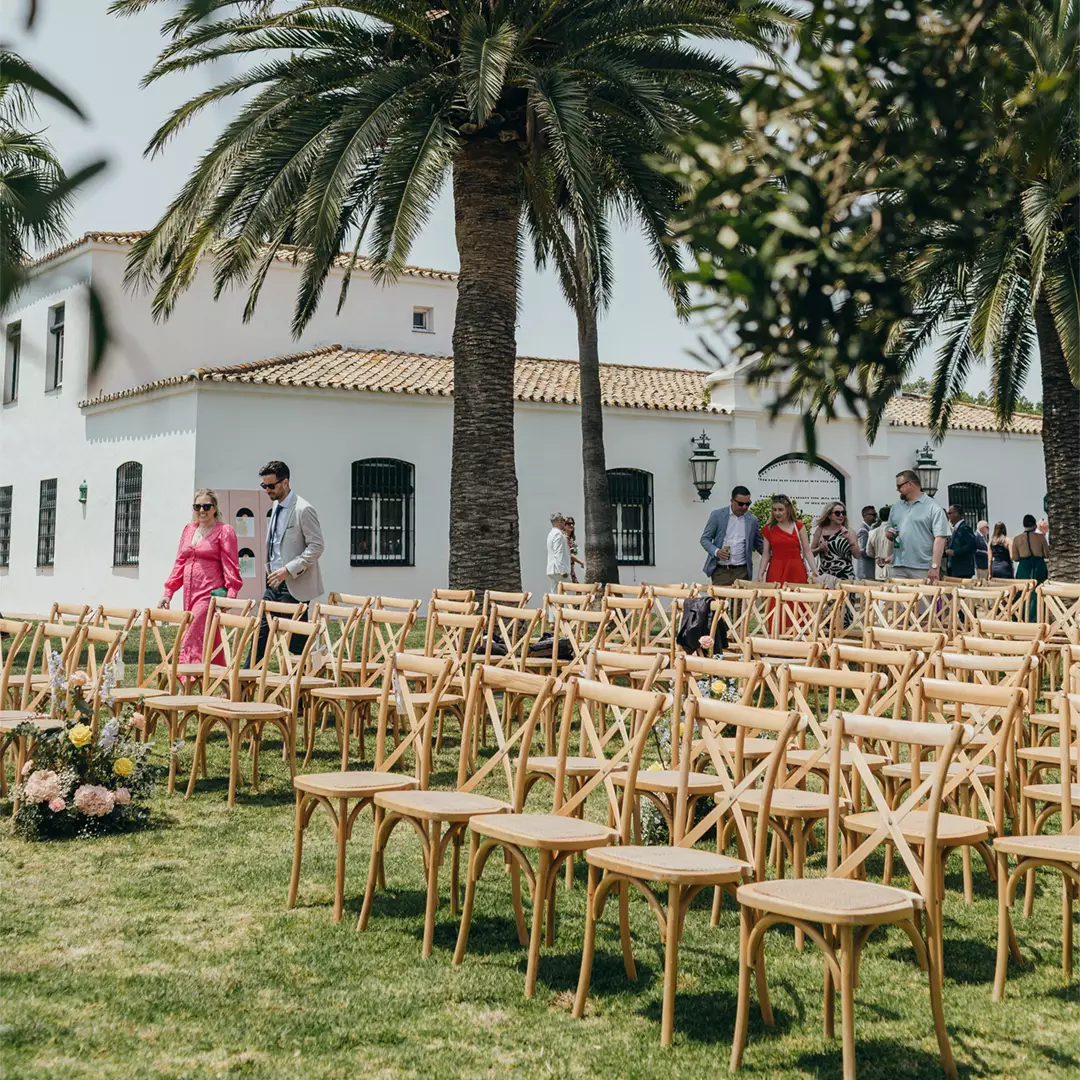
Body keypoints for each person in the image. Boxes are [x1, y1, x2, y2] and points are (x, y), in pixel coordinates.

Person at [160, 489, 242, 665]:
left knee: (191, 634)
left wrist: (230, 596)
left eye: (206, 506)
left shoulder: (224, 531)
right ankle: (221, 682)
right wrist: (168, 592)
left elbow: (231, 565)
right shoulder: (189, 529)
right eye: (197, 507)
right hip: (190, 594)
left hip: (210, 594)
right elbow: (180, 562)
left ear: (214, 508)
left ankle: (185, 680)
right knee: (209, 637)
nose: (201, 511)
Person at [256, 460, 324, 660]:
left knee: (296, 644)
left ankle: (305, 680)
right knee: (261, 634)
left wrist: (289, 569)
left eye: (271, 486)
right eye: (264, 486)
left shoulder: (303, 509)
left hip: (294, 583)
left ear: (285, 482)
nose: (267, 490)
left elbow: (317, 546)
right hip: (273, 583)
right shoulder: (276, 507)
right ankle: (243, 684)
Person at [885, 470, 951, 581]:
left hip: (922, 568)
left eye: (899, 486)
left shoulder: (933, 507)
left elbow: (940, 539)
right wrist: (888, 534)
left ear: (910, 484)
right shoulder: (896, 507)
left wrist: (935, 567)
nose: (897, 490)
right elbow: (889, 529)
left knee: (923, 599)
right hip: (898, 566)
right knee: (896, 598)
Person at [700, 485, 763, 586]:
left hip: (742, 571)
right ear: (732, 501)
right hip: (721, 570)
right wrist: (716, 552)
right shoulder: (717, 515)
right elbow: (705, 539)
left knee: (741, 602)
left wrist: (776, 557)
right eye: (741, 504)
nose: (744, 507)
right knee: (719, 601)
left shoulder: (752, 520)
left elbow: (759, 544)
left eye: (748, 504)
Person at [757, 495, 814, 584]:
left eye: (780, 509)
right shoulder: (768, 529)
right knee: (775, 597)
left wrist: (814, 570)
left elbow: (807, 551)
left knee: (797, 597)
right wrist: (760, 573)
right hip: (776, 570)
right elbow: (765, 554)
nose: (777, 513)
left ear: (788, 509)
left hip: (796, 570)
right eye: (774, 510)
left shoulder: (799, 526)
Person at [810, 501, 860, 584]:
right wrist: (819, 549)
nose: (841, 516)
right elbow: (811, 553)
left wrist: (850, 540)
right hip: (826, 577)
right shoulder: (820, 530)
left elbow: (857, 555)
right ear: (829, 515)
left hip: (845, 576)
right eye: (837, 513)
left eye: (843, 513)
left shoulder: (849, 531)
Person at [1012, 514, 1049, 620]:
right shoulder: (1040, 537)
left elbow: (1015, 557)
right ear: (1034, 525)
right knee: (1038, 591)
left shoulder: (1017, 539)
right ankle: (1036, 617)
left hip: (1024, 566)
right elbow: (1047, 554)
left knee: (1022, 591)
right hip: (1038, 565)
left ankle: (1019, 616)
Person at [945, 506, 978, 579]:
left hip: (962, 570)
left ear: (956, 514)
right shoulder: (956, 528)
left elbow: (972, 545)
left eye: (949, 513)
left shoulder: (964, 528)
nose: (948, 516)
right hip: (954, 569)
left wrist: (955, 552)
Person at [866, 505, 894, 580]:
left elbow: (869, 553)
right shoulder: (895, 532)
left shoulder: (872, 532)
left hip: (878, 569)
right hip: (893, 568)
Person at [546, 512, 571, 591]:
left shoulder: (551, 533)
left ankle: (553, 603)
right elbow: (558, 552)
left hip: (553, 570)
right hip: (558, 570)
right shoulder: (558, 534)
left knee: (555, 591)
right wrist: (562, 571)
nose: (565, 522)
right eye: (563, 520)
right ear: (559, 521)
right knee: (571, 590)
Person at [856, 506, 878, 581]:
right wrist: (877, 555)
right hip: (865, 570)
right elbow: (863, 551)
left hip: (869, 570)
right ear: (865, 515)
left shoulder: (869, 529)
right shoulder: (863, 530)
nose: (876, 517)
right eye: (873, 514)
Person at [563, 516, 585, 583]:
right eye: (569, 524)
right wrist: (581, 562)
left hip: (571, 570)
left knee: (576, 590)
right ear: (564, 525)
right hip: (565, 570)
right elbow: (569, 555)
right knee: (576, 590)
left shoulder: (571, 539)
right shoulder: (564, 538)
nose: (571, 525)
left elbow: (574, 553)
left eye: (573, 523)